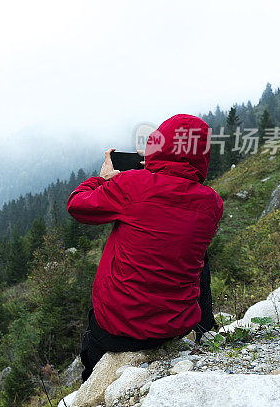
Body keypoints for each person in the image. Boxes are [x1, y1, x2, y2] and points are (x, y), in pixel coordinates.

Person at [66, 114, 223, 381]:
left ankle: (92, 376)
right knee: (197, 255)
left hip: (118, 329)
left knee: (93, 360)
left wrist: (104, 179)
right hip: (175, 326)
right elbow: (168, 202)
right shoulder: (212, 203)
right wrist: (152, 168)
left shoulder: (130, 185)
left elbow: (78, 205)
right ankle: (205, 328)